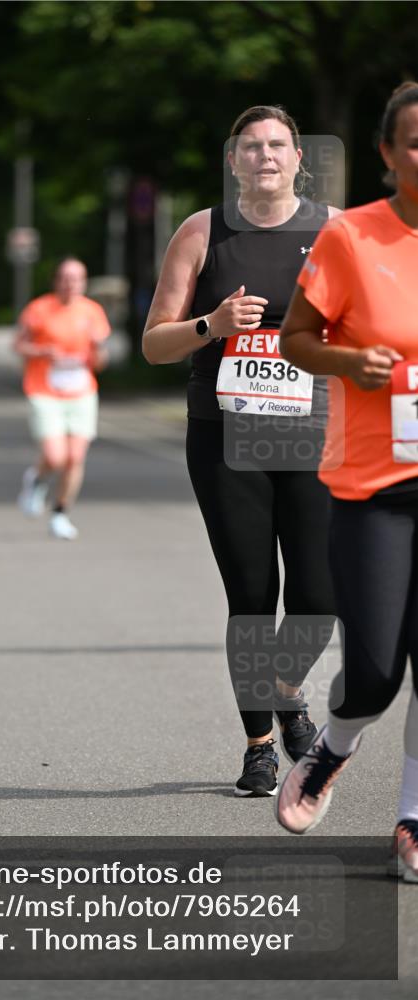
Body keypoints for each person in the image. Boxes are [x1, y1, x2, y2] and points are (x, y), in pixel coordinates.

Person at [143, 106, 341, 797]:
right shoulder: (203, 231)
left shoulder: (333, 229)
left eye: (276, 145)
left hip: (316, 433)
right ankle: (259, 744)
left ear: (296, 158)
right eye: (250, 146)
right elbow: (154, 340)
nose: (264, 155)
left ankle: (285, 687)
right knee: (252, 596)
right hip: (227, 437)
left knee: (320, 593)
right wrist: (211, 323)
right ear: (233, 161)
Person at [275, 83, 418, 882]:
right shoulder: (351, 238)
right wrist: (344, 360)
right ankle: (331, 751)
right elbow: (297, 337)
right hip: (374, 485)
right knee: (371, 672)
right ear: (388, 153)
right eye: (416, 140)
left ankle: (411, 819)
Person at [14, 257, 110, 540]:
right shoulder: (39, 309)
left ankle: (60, 513)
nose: (71, 284)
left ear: (83, 283)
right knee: (56, 457)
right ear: (57, 281)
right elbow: (18, 344)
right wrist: (43, 352)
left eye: (77, 279)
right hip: (44, 390)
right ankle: (37, 479)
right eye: (66, 278)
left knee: (75, 457)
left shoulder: (93, 312)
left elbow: (101, 362)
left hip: (81, 391)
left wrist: (97, 347)